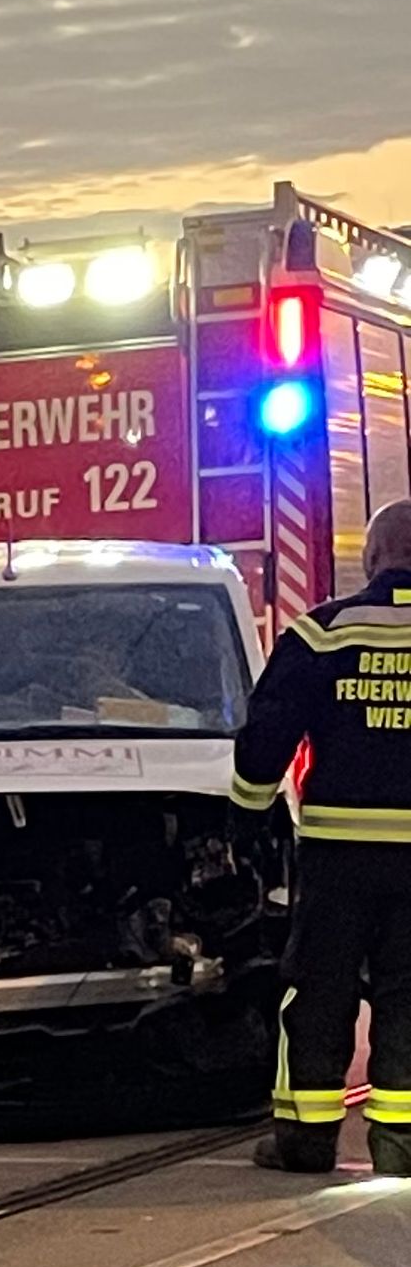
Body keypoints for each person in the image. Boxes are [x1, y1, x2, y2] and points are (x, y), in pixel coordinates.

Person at [233, 495, 411, 1173]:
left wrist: (248, 817)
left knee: (319, 988)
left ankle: (306, 1139)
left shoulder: (322, 634)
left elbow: (265, 735)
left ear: (372, 561)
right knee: (408, 990)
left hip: (339, 856)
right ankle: (400, 1141)